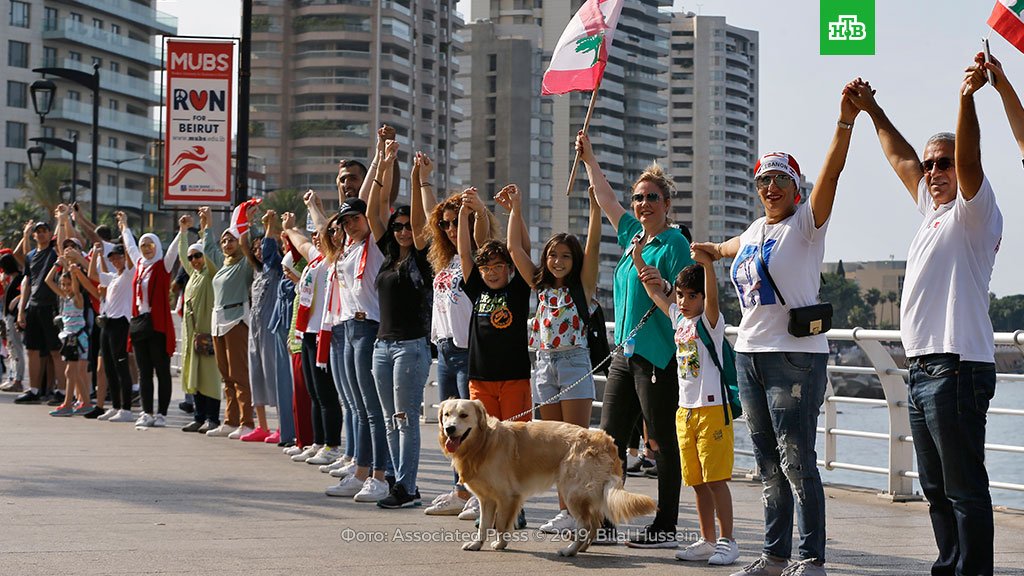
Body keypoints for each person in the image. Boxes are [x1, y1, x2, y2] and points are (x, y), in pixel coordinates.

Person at [845, 55, 1012, 576]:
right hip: (920, 372)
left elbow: (971, 157)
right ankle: (949, 566)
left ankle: (973, 572)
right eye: (932, 163)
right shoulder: (932, 212)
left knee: (964, 488)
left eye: (945, 162)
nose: (935, 171)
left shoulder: (974, 211)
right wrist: (871, 109)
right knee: (936, 489)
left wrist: (966, 98)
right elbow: (901, 159)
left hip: (957, 368)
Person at [693, 81, 861, 576]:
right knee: (766, 463)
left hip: (796, 357)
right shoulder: (754, 231)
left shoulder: (807, 225)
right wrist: (708, 251)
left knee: (797, 460)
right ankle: (774, 555)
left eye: (780, 181)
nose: (770, 188)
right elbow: (730, 250)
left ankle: (810, 559)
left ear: (796, 188)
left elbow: (833, 170)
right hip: (749, 356)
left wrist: (845, 120)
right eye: (763, 181)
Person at [578, 130, 692, 548]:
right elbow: (606, 198)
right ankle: (606, 522)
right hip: (624, 354)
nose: (643, 204)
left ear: (667, 204)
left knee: (659, 440)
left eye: (652, 198)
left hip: (658, 354)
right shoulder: (632, 238)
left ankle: (665, 525)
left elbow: (688, 295)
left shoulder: (674, 242)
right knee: (606, 441)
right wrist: (589, 158)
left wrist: (663, 286)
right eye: (639, 198)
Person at [498, 182, 601, 534]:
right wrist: (515, 209)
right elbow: (513, 248)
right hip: (542, 364)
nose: (558, 262)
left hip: (573, 363)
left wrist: (596, 209)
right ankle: (565, 513)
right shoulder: (540, 285)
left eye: (565, 256)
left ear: (575, 262)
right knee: (555, 447)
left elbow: (593, 246)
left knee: (577, 444)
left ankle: (583, 513)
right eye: (553, 255)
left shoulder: (582, 287)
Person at [637, 254, 739, 566]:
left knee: (716, 479)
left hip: (712, 410)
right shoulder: (678, 320)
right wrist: (639, 260)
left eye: (692, 296)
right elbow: (656, 293)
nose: (683, 301)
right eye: (681, 294)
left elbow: (711, 298)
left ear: (704, 297)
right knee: (695, 480)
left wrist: (708, 264)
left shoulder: (710, 323)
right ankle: (707, 539)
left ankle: (727, 541)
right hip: (686, 412)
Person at [420, 175, 500, 518]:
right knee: (449, 427)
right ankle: (459, 487)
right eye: (447, 224)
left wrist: (475, 212)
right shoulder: (444, 260)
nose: (451, 229)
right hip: (445, 348)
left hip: (469, 349)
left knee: (473, 428)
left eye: (457, 222)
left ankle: (476, 491)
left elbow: (480, 239)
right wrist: (421, 180)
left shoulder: (475, 259)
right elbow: (428, 215)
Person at [321, 148, 396, 503]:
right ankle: (361, 468)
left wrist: (384, 158)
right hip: (347, 328)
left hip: (368, 328)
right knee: (358, 406)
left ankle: (379, 475)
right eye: (345, 221)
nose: (351, 224)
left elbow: (374, 199)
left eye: (355, 219)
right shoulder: (347, 249)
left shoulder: (376, 245)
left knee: (371, 407)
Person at [457, 186, 532, 530]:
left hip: (514, 376)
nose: (491, 272)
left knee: (514, 443)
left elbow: (523, 250)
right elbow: (464, 253)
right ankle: (486, 503)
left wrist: (515, 209)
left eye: (498, 267)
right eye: (486, 267)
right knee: (481, 443)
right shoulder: (477, 288)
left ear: (508, 268)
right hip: (481, 378)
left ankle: (517, 506)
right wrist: (464, 213)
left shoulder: (518, 289)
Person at [369, 154, 434, 509]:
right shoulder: (388, 254)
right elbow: (373, 211)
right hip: (382, 346)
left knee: (406, 418)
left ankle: (407, 487)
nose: (404, 231)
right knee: (389, 420)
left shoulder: (422, 256)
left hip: (411, 346)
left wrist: (414, 177)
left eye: (409, 226)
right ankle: (398, 480)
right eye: (398, 226)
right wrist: (383, 161)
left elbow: (423, 225)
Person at [281, 213, 342, 463]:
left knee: (326, 394)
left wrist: (313, 206)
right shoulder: (314, 262)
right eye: (315, 235)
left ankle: (332, 445)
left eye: (323, 235)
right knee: (314, 392)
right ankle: (318, 442)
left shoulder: (332, 260)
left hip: (323, 334)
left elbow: (311, 238)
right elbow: (301, 243)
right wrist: (288, 229)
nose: (317, 239)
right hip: (306, 333)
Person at [198, 206, 256, 439]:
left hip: (236, 321)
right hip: (218, 321)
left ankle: (247, 422)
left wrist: (246, 226)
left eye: (231, 240)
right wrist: (206, 223)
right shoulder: (222, 266)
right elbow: (208, 247)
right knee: (226, 375)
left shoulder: (244, 264)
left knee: (239, 374)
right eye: (224, 241)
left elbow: (247, 245)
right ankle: (230, 420)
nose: (227, 244)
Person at [119, 212, 179, 428]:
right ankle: (147, 412)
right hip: (139, 325)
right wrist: (125, 226)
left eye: (150, 245)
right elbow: (130, 246)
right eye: (144, 245)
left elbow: (173, 251)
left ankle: (162, 413)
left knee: (162, 371)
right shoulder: (140, 265)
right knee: (144, 372)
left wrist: (181, 231)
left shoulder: (162, 266)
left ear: (156, 247)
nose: (145, 248)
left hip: (158, 326)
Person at [241, 207, 291, 443]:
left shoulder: (276, 268)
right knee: (256, 375)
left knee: (274, 376)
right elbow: (243, 243)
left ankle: (283, 426)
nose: (260, 251)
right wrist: (245, 222)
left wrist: (268, 223)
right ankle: (262, 426)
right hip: (255, 330)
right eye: (256, 248)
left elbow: (271, 249)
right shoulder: (258, 272)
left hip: (271, 331)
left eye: (263, 247)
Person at [176, 215, 222, 433]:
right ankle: (199, 417)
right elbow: (182, 258)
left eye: (198, 256)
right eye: (192, 257)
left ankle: (213, 419)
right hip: (193, 338)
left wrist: (207, 228)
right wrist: (183, 232)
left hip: (207, 336)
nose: (194, 260)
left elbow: (211, 253)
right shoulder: (193, 275)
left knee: (209, 379)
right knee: (194, 377)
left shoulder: (210, 274)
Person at [14, 220, 67, 405]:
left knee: (55, 351)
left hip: (51, 305)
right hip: (34, 306)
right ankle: (34, 390)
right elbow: (27, 283)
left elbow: (61, 245)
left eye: (45, 230)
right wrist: (21, 310)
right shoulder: (29, 256)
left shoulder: (54, 252)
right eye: (38, 231)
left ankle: (62, 391)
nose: (41, 234)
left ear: (49, 233)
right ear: (34, 235)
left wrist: (62, 220)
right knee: (32, 350)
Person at [89, 242, 136, 423]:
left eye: (118, 257)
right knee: (109, 367)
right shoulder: (113, 277)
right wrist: (96, 253)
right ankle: (116, 406)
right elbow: (92, 274)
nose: (115, 261)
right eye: (113, 258)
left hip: (121, 324)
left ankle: (126, 409)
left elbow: (131, 258)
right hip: (107, 324)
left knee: (121, 367)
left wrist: (125, 237)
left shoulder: (129, 274)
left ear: (124, 257)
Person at [44, 261, 91, 417]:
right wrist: (57, 265)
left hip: (77, 339)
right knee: (74, 373)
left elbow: (76, 290)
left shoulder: (78, 299)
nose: (65, 287)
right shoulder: (64, 297)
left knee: (70, 372)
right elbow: (48, 280)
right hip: (69, 339)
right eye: (63, 284)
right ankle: (86, 403)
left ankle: (67, 404)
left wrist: (73, 273)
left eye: (68, 284)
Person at [0, 250, 25, 393]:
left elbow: (24, 294)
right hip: (8, 318)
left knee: (16, 349)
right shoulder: (12, 280)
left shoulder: (20, 278)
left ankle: (18, 380)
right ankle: (13, 377)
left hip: (13, 317)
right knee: (11, 350)